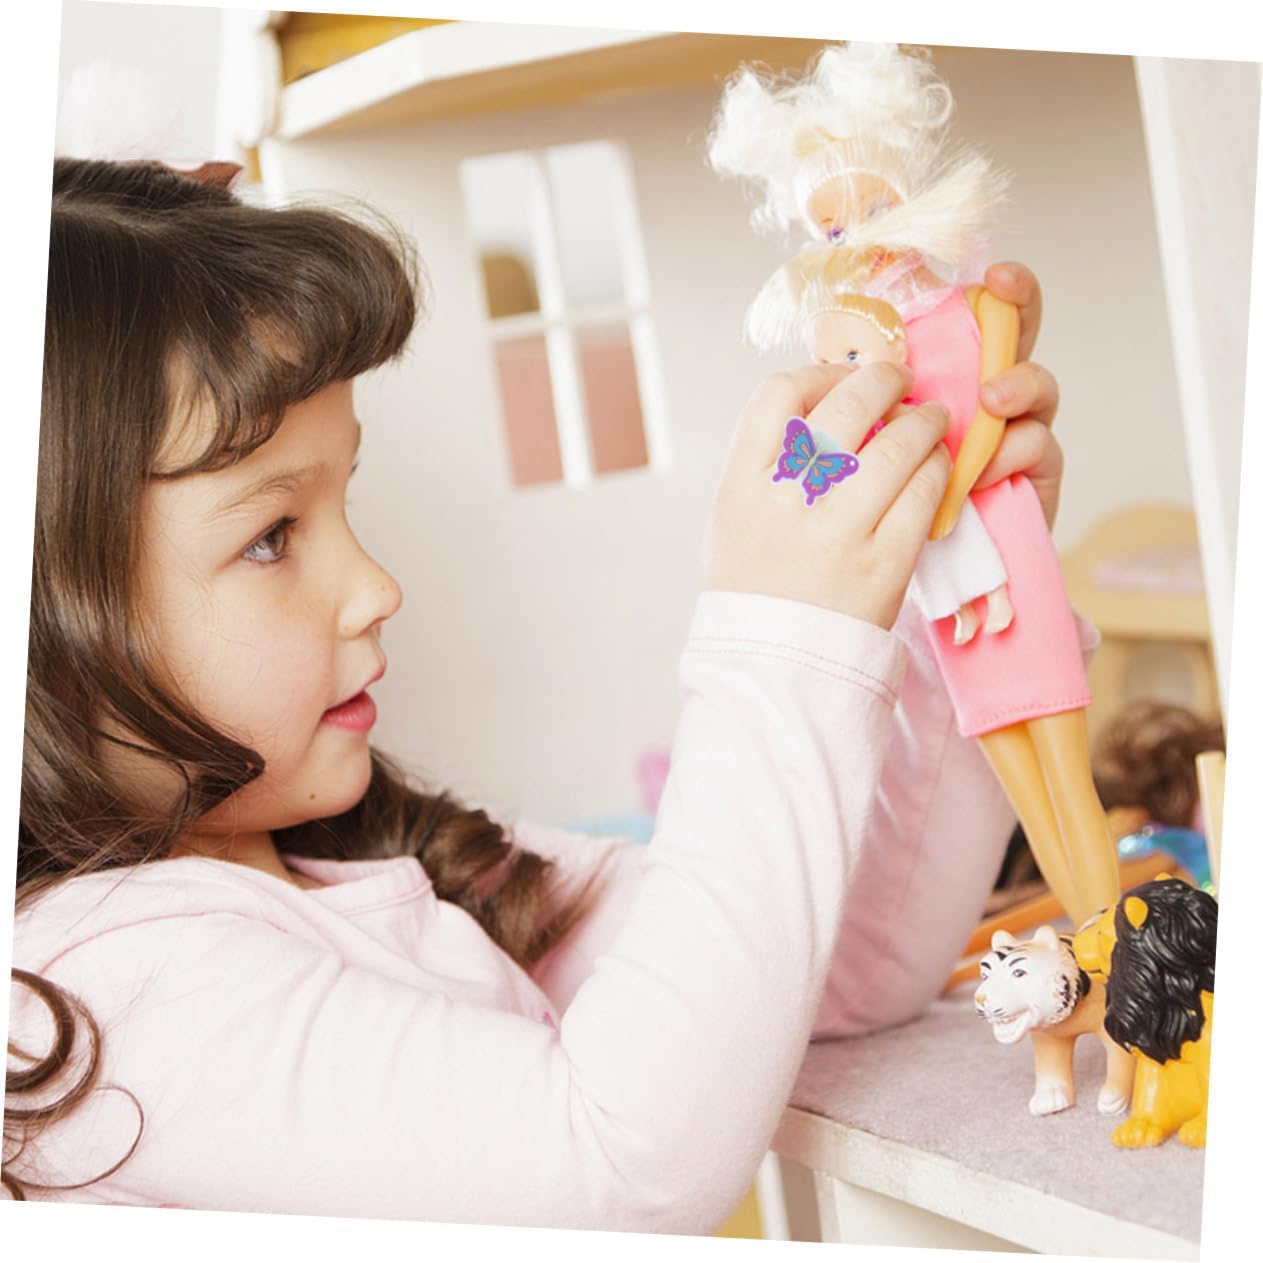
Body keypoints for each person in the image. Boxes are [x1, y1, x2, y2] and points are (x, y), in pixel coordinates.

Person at [5, 157, 1070, 1231]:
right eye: (272, 536)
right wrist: (779, 636)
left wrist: (962, 585)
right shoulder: (94, 992)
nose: (377, 588)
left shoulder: (362, 862)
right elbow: (620, 1169)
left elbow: (841, 966)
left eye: (342, 502)